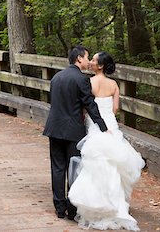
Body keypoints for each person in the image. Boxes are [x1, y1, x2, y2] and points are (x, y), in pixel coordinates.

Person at [68, 51, 145, 231]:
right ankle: (116, 204)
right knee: (114, 166)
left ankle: (97, 204)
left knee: (95, 164)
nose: (91, 62)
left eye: (94, 60)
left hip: (95, 125)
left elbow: (86, 105)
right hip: (110, 124)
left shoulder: (89, 82)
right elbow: (115, 107)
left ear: (100, 65)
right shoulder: (113, 84)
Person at [43, 45, 108, 220]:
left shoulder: (56, 77)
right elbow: (90, 104)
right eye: (87, 58)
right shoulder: (81, 79)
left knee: (57, 168)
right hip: (73, 131)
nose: (88, 61)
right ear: (79, 58)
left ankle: (59, 208)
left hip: (54, 128)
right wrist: (102, 126)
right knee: (74, 168)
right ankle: (72, 210)